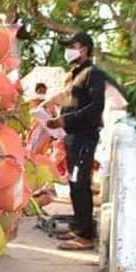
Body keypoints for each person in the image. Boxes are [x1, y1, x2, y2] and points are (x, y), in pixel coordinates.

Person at [46, 32, 106, 251]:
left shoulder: (94, 74)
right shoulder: (75, 74)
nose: (68, 50)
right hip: (72, 137)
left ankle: (85, 236)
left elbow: (94, 108)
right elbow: (70, 99)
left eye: (73, 46)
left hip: (84, 138)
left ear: (85, 49)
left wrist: (65, 119)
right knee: (74, 184)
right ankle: (79, 227)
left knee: (81, 185)